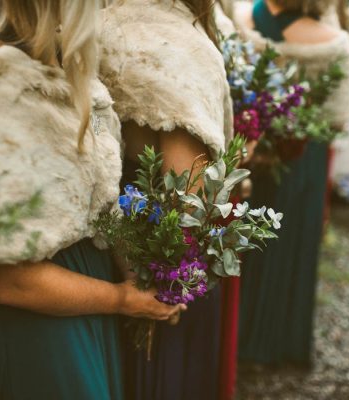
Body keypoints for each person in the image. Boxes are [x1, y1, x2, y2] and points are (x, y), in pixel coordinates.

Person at [0, 1, 182, 398]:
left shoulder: (49, 60)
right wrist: (121, 298)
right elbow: (8, 279)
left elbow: (94, 191)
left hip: (82, 303)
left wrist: (137, 268)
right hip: (35, 328)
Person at [99, 1, 233, 398]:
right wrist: (162, 276)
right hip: (151, 271)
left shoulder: (88, 29)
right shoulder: (178, 48)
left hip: (97, 264)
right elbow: (185, 209)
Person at [234, 0, 349, 369]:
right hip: (301, 157)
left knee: (243, 237)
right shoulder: (334, 43)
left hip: (249, 148)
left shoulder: (241, 19)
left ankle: (232, 334)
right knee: (286, 242)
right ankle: (273, 341)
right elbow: (339, 117)